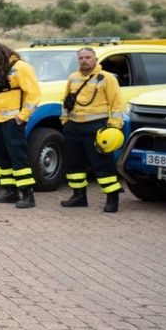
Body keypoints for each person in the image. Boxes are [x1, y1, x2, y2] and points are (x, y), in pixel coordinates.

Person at [59, 47, 126, 213]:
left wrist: (114, 126)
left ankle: (112, 199)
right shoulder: (73, 78)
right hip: (73, 127)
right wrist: (65, 121)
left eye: (88, 57)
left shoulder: (107, 78)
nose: (84, 60)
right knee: (74, 164)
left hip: (97, 127)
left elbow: (117, 104)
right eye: (81, 58)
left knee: (102, 164)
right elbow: (67, 101)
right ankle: (78, 197)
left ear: (95, 59)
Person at [0, 41, 42, 208]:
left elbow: (34, 95)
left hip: (13, 121)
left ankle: (27, 194)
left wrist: (21, 117)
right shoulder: (1, 69)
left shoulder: (22, 68)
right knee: (3, 158)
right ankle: (10, 191)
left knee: (18, 158)